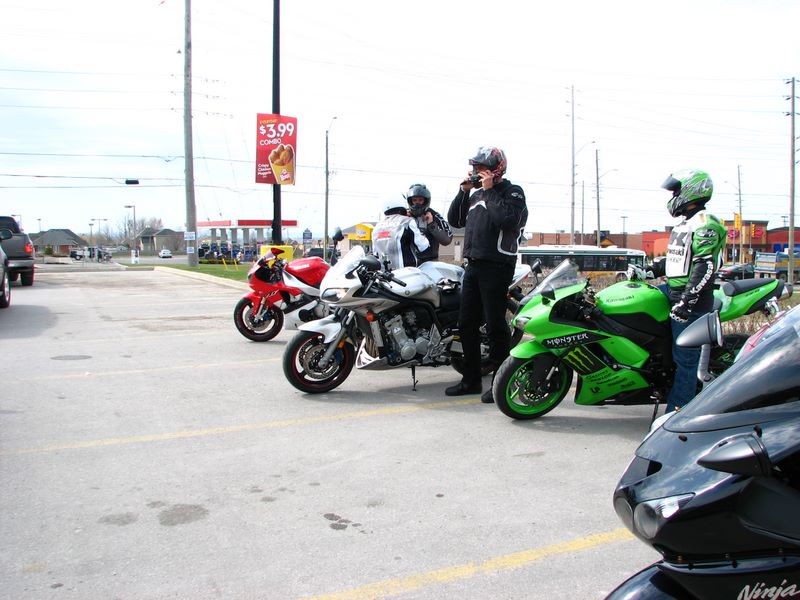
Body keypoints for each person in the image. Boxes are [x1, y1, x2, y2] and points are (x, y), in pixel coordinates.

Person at [444, 146, 528, 403]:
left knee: (495, 325)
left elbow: (508, 221)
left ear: (496, 168)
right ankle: (470, 380)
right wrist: (463, 192)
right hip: (473, 265)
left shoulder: (512, 192)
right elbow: (455, 220)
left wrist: (490, 190)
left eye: (481, 168)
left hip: (497, 265)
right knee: (466, 324)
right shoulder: (476, 194)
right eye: (475, 168)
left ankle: (500, 384)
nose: (476, 172)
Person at [658, 169, 726, 412]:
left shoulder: (706, 223)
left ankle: (677, 413)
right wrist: (650, 270)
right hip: (673, 292)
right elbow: (679, 261)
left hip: (692, 300)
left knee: (685, 360)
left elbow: (704, 266)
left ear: (692, 191)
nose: (673, 196)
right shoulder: (686, 224)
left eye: (676, 191)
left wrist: (687, 302)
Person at [371, 199, 431, 269]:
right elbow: (423, 246)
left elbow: (375, 254)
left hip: (384, 273)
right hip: (406, 273)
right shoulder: (407, 221)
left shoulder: (377, 227)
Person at [405, 183, 453, 264]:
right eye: (414, 200)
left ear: (426, 201)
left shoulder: (435, 216)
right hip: (410, 262)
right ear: (410, 201)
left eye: (420, 200)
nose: (417, 203)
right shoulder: (404, 216)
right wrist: (404, 220)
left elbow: (447, 240)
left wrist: (432, 224)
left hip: (430, 262)